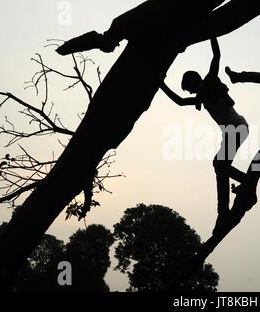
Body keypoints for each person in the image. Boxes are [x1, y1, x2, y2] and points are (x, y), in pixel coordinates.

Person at [160, 38, 249, 234]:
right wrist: (160, 83)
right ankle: (237, 191)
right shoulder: (201, 94)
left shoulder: (208, 82)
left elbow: (216, 56)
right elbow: (181, 101)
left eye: (190, 88)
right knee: (220, 166)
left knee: (220, 165)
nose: (191, 92)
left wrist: (213, 34)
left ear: (193, 82)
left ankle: (225, 210)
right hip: (233, 130)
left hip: (237, 127)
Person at [56, 0, 225, 55]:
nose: (116, 47)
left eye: (113, 46)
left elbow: (156, 30)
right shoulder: (122, 27)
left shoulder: (125, 28)